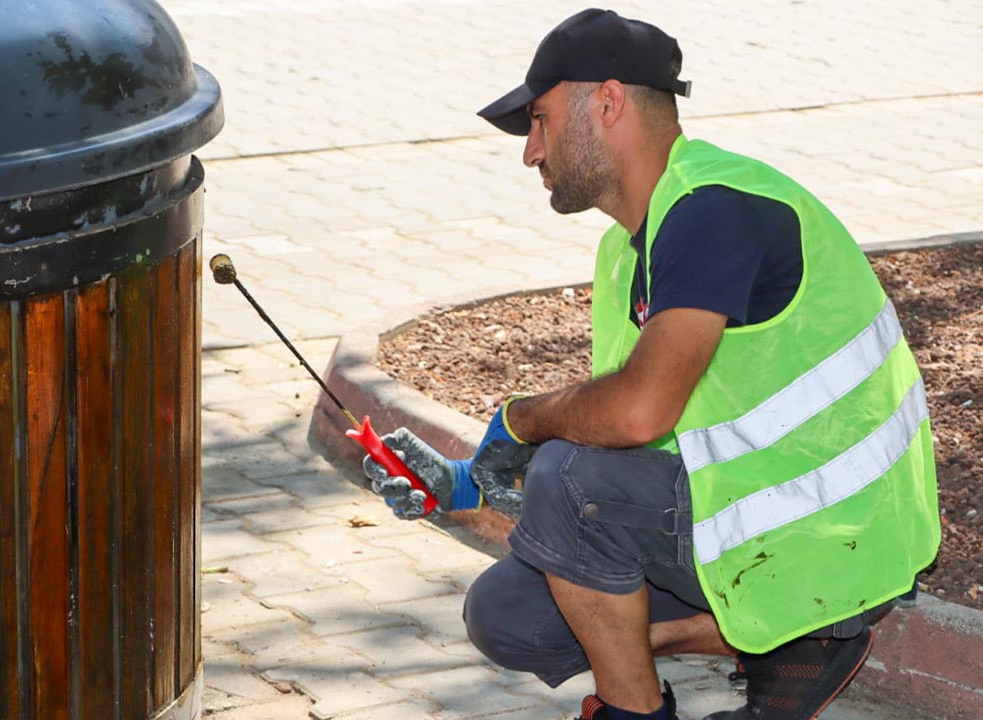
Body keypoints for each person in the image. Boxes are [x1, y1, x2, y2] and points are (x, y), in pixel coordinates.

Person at [362, 9, 940, 720]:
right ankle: (785, 642)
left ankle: (641, 710)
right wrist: (469, 490)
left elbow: (633, 417)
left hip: (840, 531)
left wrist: (521, 419)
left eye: (539, 121)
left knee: (567, 474)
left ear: (606, 102)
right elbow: (632, 456)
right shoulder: (627, 252)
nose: (530, 153)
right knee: (507, 615)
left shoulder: (714, 208)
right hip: (760, 514)